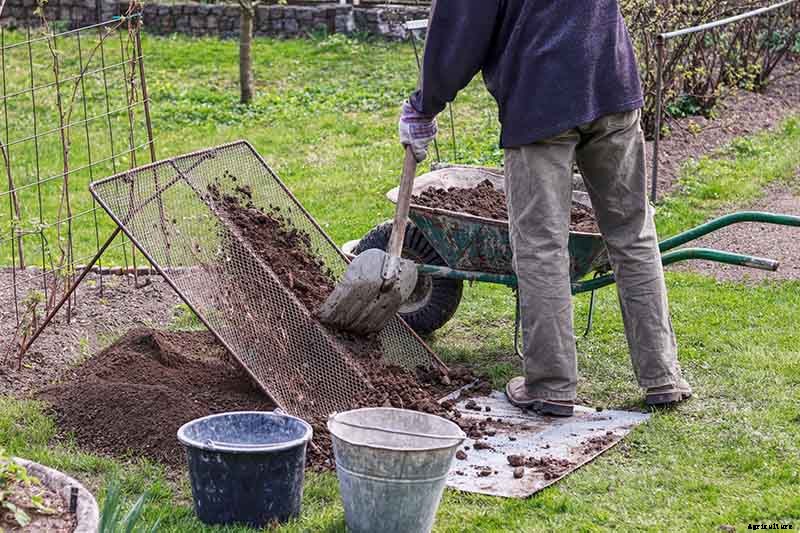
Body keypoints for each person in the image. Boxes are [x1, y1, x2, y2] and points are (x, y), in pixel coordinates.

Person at [398, 0, 691, 417]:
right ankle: (663, 376)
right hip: (611, 80)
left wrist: (424, 104)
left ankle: (550, 386)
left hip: (542, 98)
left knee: (541, 243)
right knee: (632, 232)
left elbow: (460, 28)